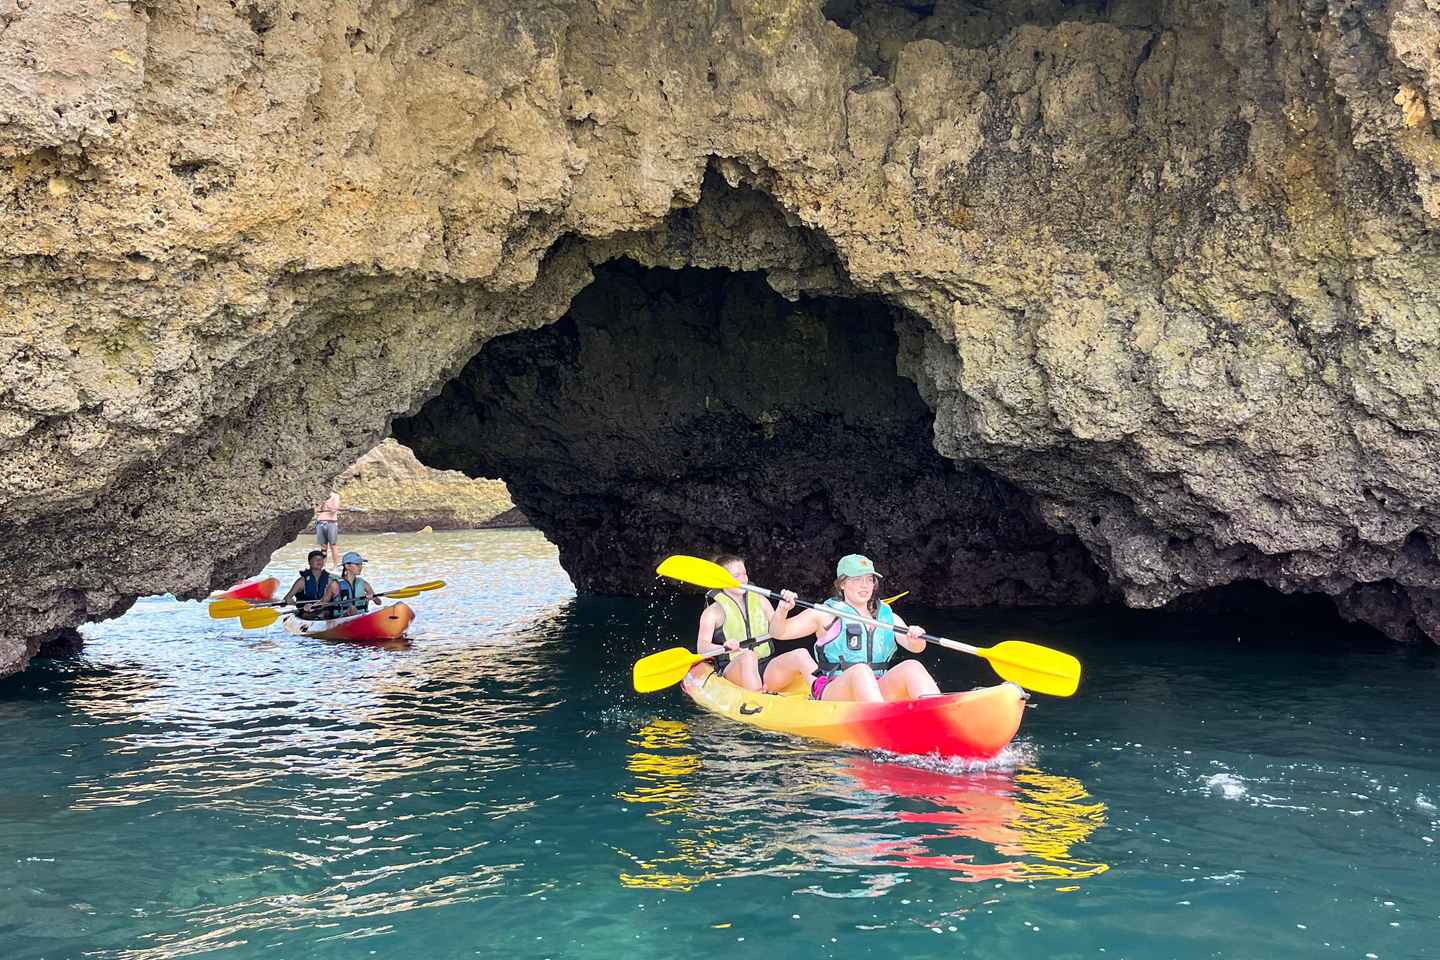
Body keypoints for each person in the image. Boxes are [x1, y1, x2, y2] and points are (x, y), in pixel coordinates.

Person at [769, 554, 941, 703]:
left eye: (869, 579)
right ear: (842, 584)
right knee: (861, 670)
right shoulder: (824, 614)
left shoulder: (887, 617)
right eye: (857, 579)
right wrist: (782, 610)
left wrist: (916, 637)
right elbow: (779, 633)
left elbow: (916, 648)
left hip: (875, 686)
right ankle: (879, 721)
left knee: (912, 666)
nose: (865, 585)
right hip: (833, 689)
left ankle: (937, 712)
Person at [695, 555, 818, 693]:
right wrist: (723, 647)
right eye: (736, 576)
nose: (743, 579)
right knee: (748, 656)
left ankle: (822, 691)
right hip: (734, 670)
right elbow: (702, 647)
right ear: (721, 580)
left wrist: (782, 609)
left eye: (744, 574)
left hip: (765, 666)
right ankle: (757, 698)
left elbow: (778, 631)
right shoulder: (713, 612)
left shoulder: (760, 600)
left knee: (801, 654)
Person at [319, 550, 380, 617]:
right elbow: (322, 604)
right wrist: (313, 607)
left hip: (361, 617)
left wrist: (374, 598)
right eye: (357, 564)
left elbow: (379, 602)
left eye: (361, 564)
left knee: (353, 609)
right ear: (347, 566)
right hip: (341, 619)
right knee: (352, 609)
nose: (360, 567)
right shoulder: (335, 585)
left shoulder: (364, 583)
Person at [280, 549, 333, 619]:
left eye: (321, 559)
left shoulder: (329, 580)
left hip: (323, 611)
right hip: (306, 613)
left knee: (326, 612)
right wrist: (288, 600)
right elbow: (285, 600)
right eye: (316, 559)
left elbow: (336, 597)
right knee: (319, 614)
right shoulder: (302, 582)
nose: (319, 561)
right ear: (309, 562)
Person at [314, 489, 341, 567]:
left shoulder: (335, 496)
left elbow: (334, 510)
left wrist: (327, 503)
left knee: (333, 545)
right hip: (320, 522)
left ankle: (335, 565)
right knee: (323, 546)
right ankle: (323, 565)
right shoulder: (320, 496)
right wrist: (322, 504)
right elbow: (316, 510)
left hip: (331, 522)